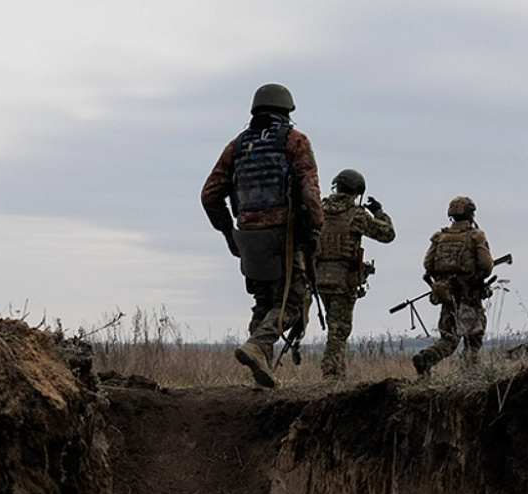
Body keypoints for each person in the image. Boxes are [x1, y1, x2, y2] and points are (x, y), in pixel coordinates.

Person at [200, 83, 323, 388]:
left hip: (249, 238)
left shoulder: (237, 146)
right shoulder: (294, 141)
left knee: (264, 301)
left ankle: (262, 371)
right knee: (292, 303)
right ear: (286, 112)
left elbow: (209, 195)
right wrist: (316, 227)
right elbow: (309, 191)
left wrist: (230, 232)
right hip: (285, 236)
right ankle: (257, 346)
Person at [315, 168, 396, 379]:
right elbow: (388, 234)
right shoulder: (356, 215)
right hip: (343, 279)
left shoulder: (319, 210)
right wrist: (379, 212)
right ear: (357, 191)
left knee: (334, 326)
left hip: (319, 277)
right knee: (339, 329)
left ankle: (337, 375)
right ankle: (331, 374)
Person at [412, 196, 494, 376]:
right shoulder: (475, 236)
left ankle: (426, 358)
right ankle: (469, 376)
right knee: (473, 340)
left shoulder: (439, 237)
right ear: (470, 213)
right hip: (469, 297)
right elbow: (487, 266)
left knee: (448, 340)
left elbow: (428, 265)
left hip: (447, 297)